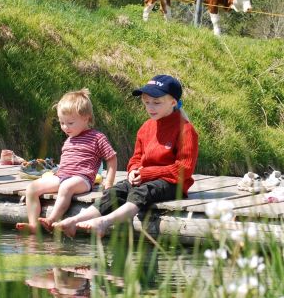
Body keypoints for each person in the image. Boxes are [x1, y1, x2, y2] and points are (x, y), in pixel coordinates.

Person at [54, 75, 198, 237]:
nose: (151, 107)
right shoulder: (146, 127)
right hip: (144, 178)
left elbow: (184, 169)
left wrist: (145, 174)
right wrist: (133, 171)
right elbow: (136, 158)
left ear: (173, 102)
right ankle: (75, 220)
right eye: (146, 102)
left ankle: (104, 222)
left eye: (156, 103)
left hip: (173, 184)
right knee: (115, 191)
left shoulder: (186, 130)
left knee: (141, 192)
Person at [16, 89, 117, 233]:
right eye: (62, 122)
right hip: (61, 176)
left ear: (86, 118)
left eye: (70, 123)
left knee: (66, 187)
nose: (65, 127)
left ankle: (51, 220)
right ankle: (33, 224)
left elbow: (111, 158)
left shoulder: (97, 137)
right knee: (32, 188)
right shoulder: (69, 139)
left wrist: (109, 183)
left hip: (82, 179)